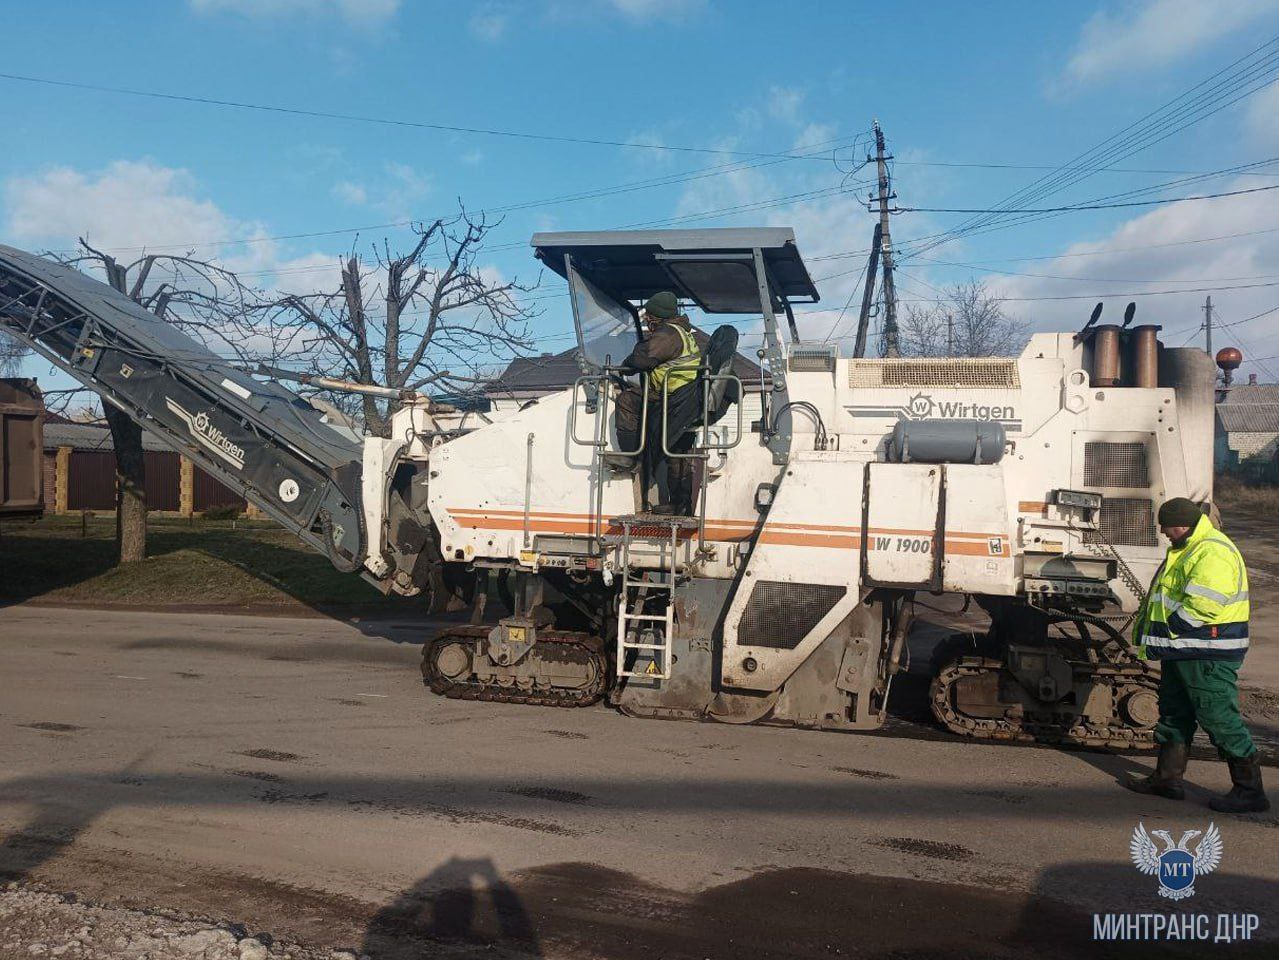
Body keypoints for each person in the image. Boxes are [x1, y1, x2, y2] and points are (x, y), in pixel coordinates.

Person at [1125, 497, 1268, 813]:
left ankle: (1250, 791)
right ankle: (1166, 780)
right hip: (1184, 649)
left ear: (1181, 523)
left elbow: (1205, 604)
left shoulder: (1211, 550)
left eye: (1165, 526)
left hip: (1207, 652)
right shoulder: (1187, 548)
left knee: (1218, 717)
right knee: (1175, 712)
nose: (1163, 533)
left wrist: (1170, 626)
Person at [614, 291, 701, 515]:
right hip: (682, 398)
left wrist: (625, 365)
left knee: (627, 400)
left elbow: (642, 358)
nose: (647, 322)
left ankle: (632, 457)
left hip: (670, 397)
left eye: (649, 318)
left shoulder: (667, 334)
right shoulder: (683, 332)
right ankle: (679, 503)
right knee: (676, 450)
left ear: (657, 317)